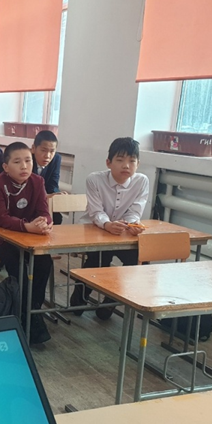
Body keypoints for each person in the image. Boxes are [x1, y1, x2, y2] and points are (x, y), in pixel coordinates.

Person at [0, 142, 53, 344]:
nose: (24, 166)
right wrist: (27, 226)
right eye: (17, 162)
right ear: (6, 167)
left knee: (44, 261)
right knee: (16, 261)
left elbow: (45, 212)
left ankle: (32, 309)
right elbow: (1, 219)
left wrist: (44, 223)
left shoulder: (38, 181)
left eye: (28, 161)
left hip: (26, 236)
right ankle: (26, 314)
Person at [70, 137, 149, 320]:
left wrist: (132, 225)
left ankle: (111, 302)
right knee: (98, 259)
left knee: (140, 260)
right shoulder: (95, 179)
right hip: (96, 230)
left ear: (138, 164)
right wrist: (107, 225)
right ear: (108, 162)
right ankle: (79, 299)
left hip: (122, 233)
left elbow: (135, 211)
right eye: (120, 160)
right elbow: (96, 211)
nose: (126, 166)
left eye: (132, 161)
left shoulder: (142, 181)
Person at [32, 130, 67, 225]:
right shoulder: (27, 159)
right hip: (29, 200)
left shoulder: (56, 159)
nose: (47, 156)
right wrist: (46, 196)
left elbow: (53, 183)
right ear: (33, 148)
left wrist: (56, 194)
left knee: (57, 217)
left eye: (52, 151)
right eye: (43, 150)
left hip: (44, 200)